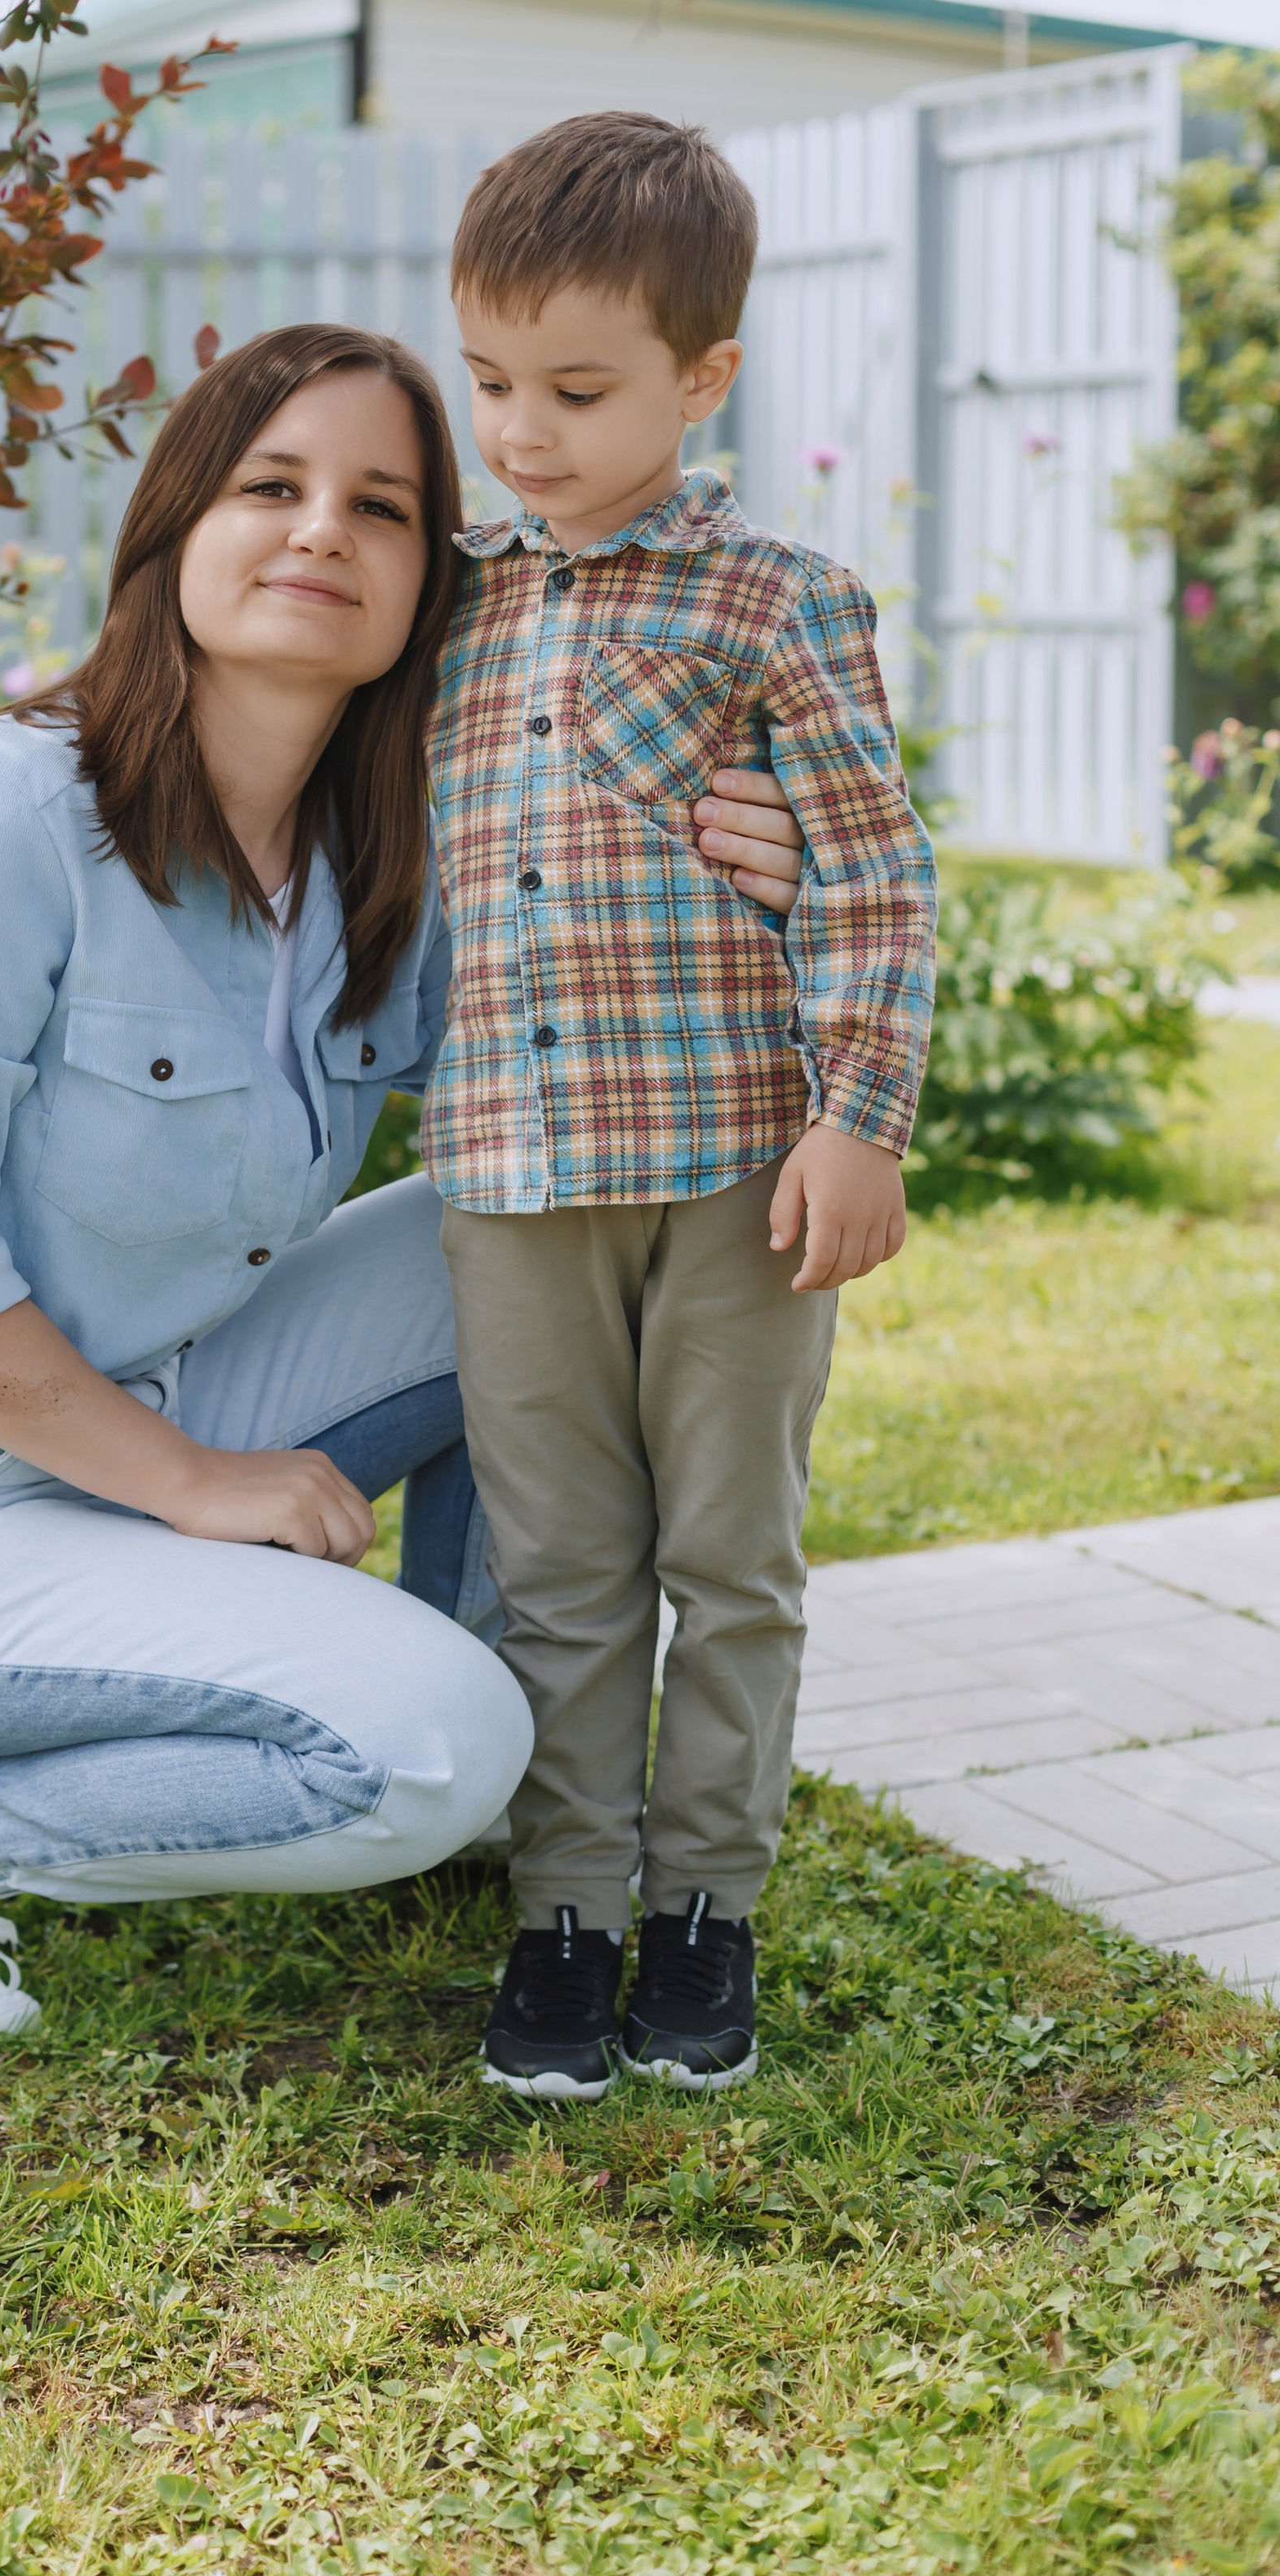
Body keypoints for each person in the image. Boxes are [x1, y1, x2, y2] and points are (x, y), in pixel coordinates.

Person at [0, 319, 814, 2059]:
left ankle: (511, 1793)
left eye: (380, 507)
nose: (322, 530)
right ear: (170, 533)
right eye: (270, 485)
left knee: (531, 1237)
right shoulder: (1, 817)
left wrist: (764, 863)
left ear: (419, 589)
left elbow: (602, 1057)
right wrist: (189, 1482)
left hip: (158, 1397)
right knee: (427, 1742)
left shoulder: (378, 869)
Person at [432, 113, 940, 2102]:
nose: (522, 431)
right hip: (503, 1174)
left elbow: (874, 875)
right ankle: (563, 1912)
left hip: (733, 1169)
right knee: (554, 1569)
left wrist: (858, 1115)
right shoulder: (447, 611)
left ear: (699, 379)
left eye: (574, 389)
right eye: (488, 385)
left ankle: (700, 1911)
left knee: (728, 1559)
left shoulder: (777, 601)